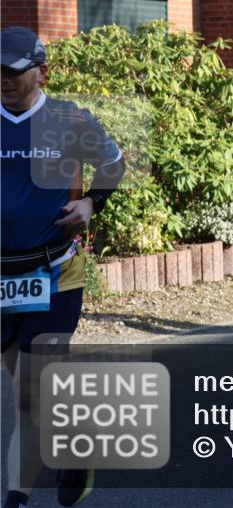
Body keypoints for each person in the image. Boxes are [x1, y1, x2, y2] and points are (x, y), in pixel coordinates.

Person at [2, 27, 126, 508]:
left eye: (13, 71)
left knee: (29, 392)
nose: (4, 80)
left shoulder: (70, 120)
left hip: (54, 274)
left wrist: (93, 202)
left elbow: (114, 165)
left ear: (41, 71)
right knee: (32, 394)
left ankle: (15, 499)